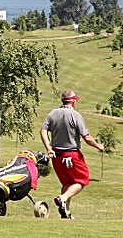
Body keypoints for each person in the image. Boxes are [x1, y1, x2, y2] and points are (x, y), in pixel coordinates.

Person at [40, 90, 104, 219]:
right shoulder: (76, 115)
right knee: (82, 181)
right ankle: (62, 198)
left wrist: (49, 148)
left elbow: (43, 131)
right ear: (73, 101)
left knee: (67, 183)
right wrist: (99, 146)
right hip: (72, 155)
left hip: (57, 156)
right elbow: (87, 138)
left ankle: (66, 212)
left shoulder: (52, 114)